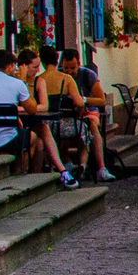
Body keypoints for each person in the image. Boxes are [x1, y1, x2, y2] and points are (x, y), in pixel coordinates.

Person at [39, 45, 113, 181]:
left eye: (72, 68)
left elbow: (101, 100)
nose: (69, 71)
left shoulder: (88, 75)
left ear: (79, 64)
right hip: (71, 119)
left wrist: (85, 99)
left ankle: (96, 168)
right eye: (66, 67)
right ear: (60, 63)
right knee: (83, 130)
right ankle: (80, 166)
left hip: (82, 114)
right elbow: (78, 103)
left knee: (91, 125)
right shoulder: (65, 78)